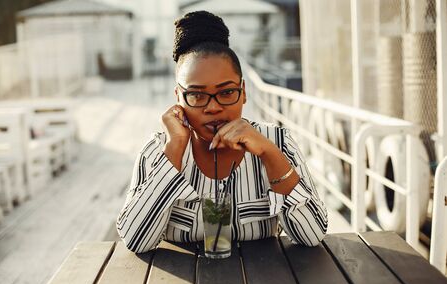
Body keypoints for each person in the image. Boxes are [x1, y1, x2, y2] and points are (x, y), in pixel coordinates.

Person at [117, 11, 327, 253]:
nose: (213, 107)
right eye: (196, 95)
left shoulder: (278, 142)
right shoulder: (156, 152)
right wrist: (175, 146)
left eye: (226, 92)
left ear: (243, 91)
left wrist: (270, 154)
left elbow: (312, 235)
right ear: (178, 98)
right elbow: (136, 241)